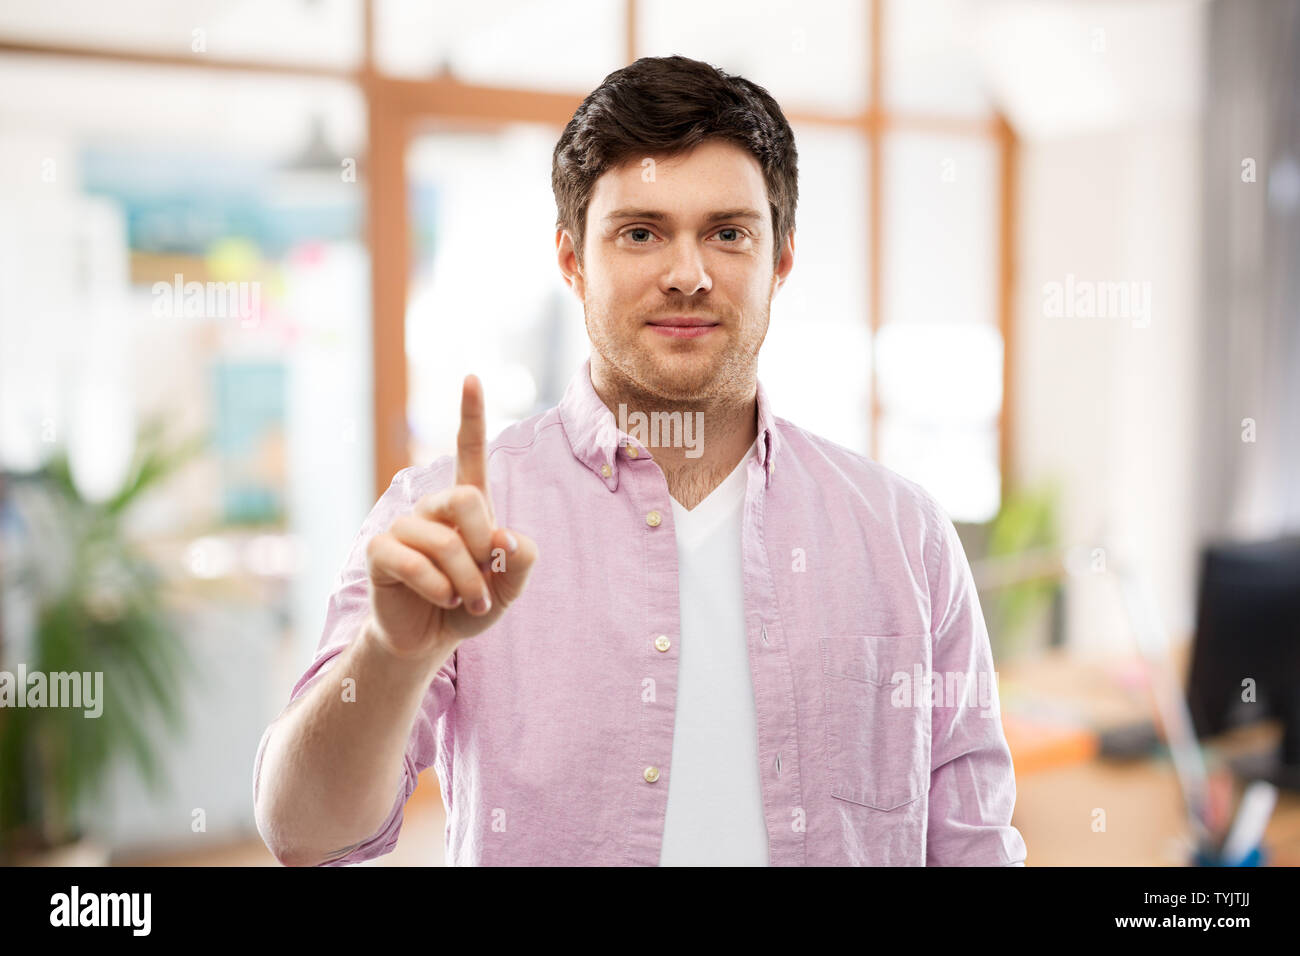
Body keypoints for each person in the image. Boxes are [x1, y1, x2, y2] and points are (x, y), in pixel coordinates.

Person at [253, 54, 1028, 867]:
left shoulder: (905, 535)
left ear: (781, 260)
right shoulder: (442, 517)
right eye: (640, 233)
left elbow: (973, 847)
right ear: (572, 261)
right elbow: (302, 832)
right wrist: (393, 656)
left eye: (728, 234)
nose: (687, 275)